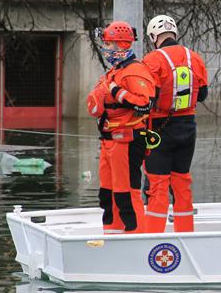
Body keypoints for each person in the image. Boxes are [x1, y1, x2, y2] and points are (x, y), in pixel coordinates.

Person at [86, 21, 155, 234]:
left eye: (109, 44)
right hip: (109, 141)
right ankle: (112, 234)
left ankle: (136, 238)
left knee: (127, 193)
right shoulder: (115, 71)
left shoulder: (133, 72)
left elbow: (145, 103)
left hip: (126, 140)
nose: (105, 48)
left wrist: (116, 91)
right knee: (108, 194)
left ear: (121, 44)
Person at [141, 15, 209, 233]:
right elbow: (203, 94)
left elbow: (148, 97)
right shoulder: (195, 58)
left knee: (158, 185)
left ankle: (153, 236)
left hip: (159, 129)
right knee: (182, 183)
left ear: (153, 36)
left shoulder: (152, 60)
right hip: (188, 127)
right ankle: (185, 233)